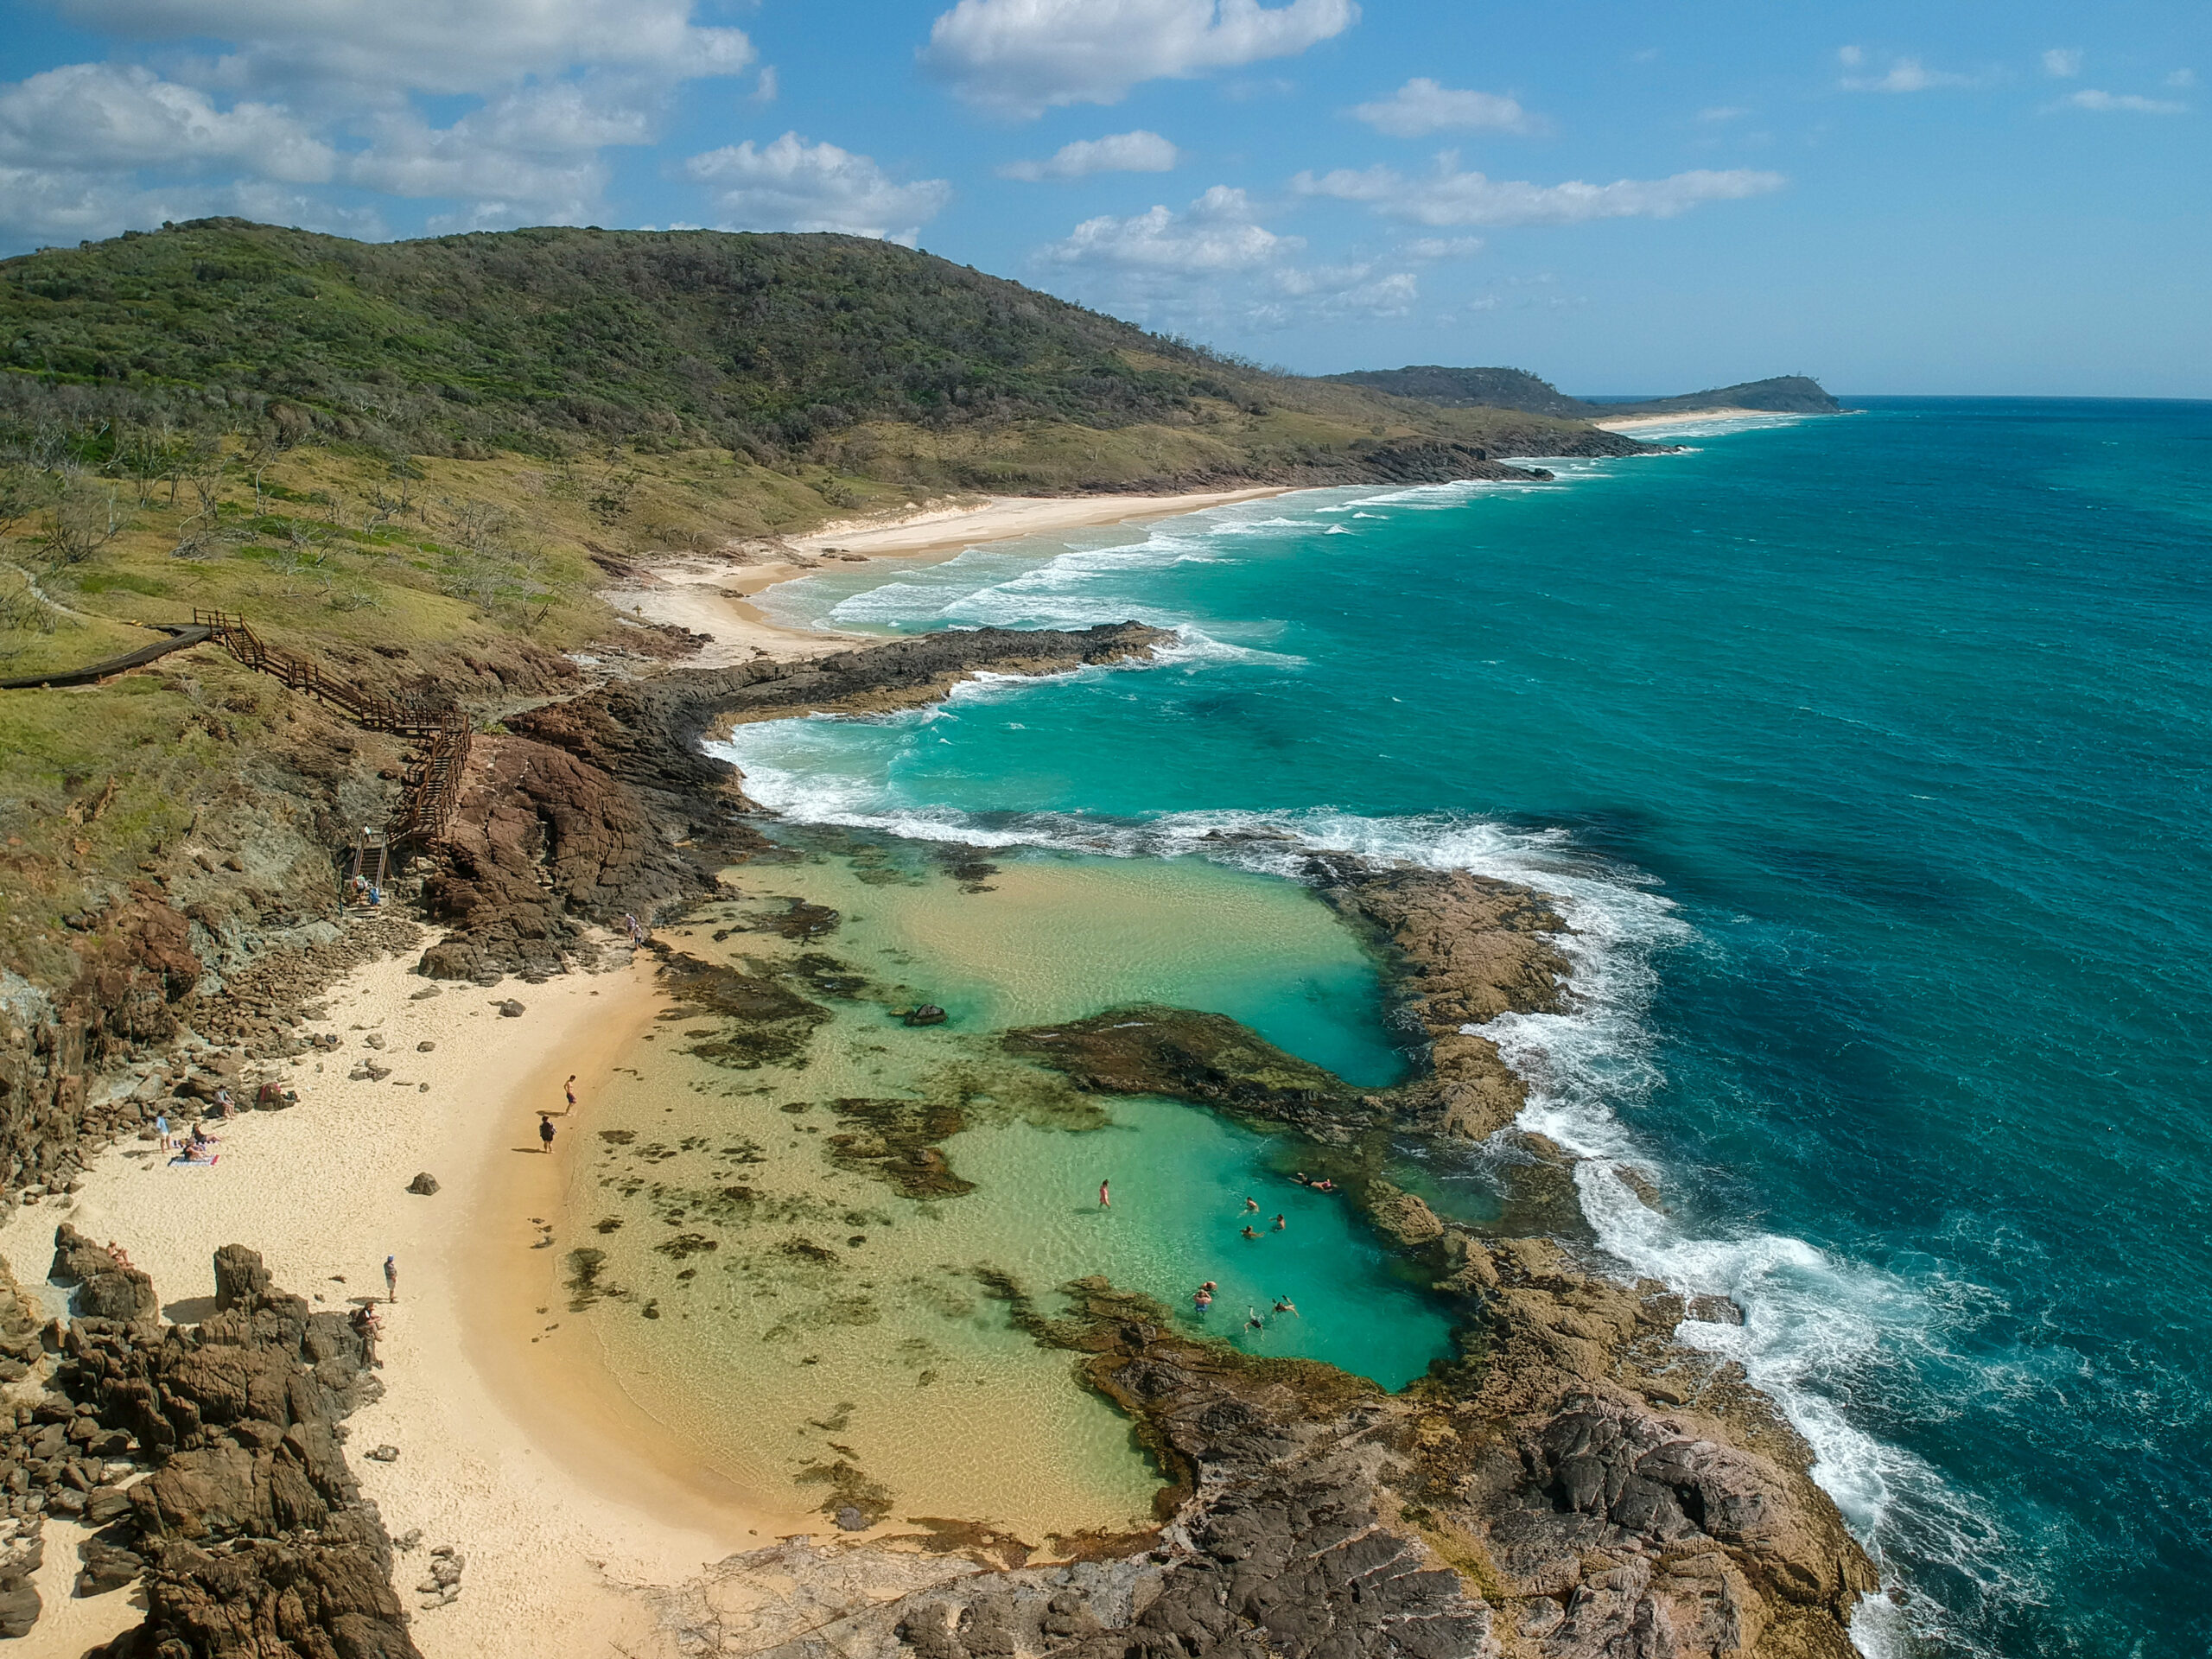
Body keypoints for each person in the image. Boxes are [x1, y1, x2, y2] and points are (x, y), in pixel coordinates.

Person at [351, 1304, 383, 1368]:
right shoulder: (365, 1313)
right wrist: (376, 1320)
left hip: (363, 1324)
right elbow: (368, 1322)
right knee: (372, 1325)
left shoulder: (366, 1311)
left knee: (374, 1320)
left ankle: (379, 1326)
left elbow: (371, 1315)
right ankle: (377, 1336)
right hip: (359, 1327)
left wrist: (377, 1317)